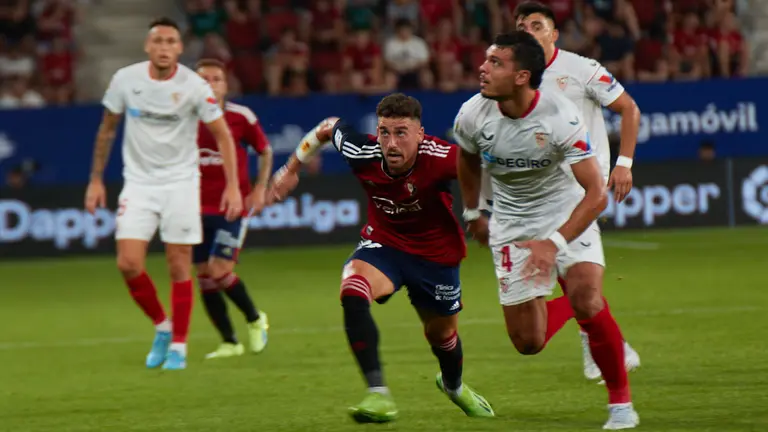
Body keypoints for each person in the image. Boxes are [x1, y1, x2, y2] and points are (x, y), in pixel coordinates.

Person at [267, 93, 494, 423]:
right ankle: (378, 394)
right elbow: (328, 127)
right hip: (385, 244)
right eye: (384, 132)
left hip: (436, 256)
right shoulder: (363, 150)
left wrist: (479, 213)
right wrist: (292, 168)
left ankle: (454, 387)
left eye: (401, 132)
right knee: (352, 288)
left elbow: (483, 171)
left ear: (420, 134)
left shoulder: (443, 156)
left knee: (441, 336)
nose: (390, 142)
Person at [454, 31, 639, 429]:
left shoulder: (560, 117)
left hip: (568, 210)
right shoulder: (471, 114)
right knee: (528, 342)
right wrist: (473, 212)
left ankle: (621, 406)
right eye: (485, 60)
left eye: (495, 63)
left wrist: (553, 244)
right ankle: (579, 315)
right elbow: (466, 160)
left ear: (521, 76)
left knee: (587, 297)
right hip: (512, 224)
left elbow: (596, 194)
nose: (482, 69)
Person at [482, 0, 642, 381]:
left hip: (579, 191)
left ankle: (604, 354)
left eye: (536, 25)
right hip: (531, 194)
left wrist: (624, 164)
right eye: (522, 25)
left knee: (577, 281)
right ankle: (604, 341)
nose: (528, 30)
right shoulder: (513, 77)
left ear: (553, 34)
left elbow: (629, 109)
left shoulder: (581, 69)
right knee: (561, 283)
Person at [84, 17, 243, 371]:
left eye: (171, 41)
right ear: (147, 46)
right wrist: (96, 179)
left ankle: (180, 347)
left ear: (180, 48)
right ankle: (162, 325)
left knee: (178, 263)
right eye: (158, 41)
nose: (164, 48)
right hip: (138, 184)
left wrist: (232, 185)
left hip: (181, 184)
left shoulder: (193, 85)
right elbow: (107, 130)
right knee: (127, 263)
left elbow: (222, 135)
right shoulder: (126, 80)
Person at [194, 58, 272, 359]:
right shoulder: (185, 117)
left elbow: (264, 150)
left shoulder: (241, 117)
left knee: (219, 269)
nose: (210, 84)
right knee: (203, 275)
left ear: (225, 85)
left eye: (216, 79)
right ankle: (229, 341)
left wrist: (259, 188)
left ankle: (255, 318)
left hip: (230, 208)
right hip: (193, 208)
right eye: (204, 79)